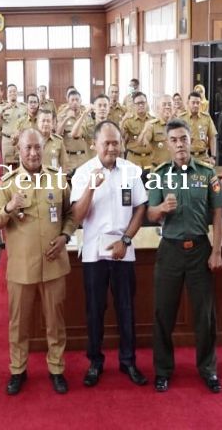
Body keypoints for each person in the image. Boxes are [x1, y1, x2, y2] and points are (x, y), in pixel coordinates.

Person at [0, 129, 75, 395]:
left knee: (55, 322)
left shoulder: (58, 180)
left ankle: (57, 369)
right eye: (28, 148)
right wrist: (8, 208)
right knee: (18, 323)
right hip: (21, 268)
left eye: (37, 148)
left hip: (54, 264)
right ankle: (18, 369)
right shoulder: (8, 183)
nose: (34, 153)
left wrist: (65, 235)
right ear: (19, 151)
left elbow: (71, 214)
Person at [146, 118, 222, 394]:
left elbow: (217, 215)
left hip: (200, 250)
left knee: (205, 315)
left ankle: (208, 369)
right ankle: (163, 370)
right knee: (163, 313)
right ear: (167, 144)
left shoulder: (207, 173)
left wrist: (216, 251)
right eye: (174, 140)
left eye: (184, 139)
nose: (180, 144)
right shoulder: (158, 174)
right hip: (169, 250)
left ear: (192, 141)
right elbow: (149, 213)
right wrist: (161, 210)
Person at [70, 121, 148, 388]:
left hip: (123, 250)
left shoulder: (131, 170)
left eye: (116, 143)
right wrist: (91, 186)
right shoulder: (82, 172)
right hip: (93, 253)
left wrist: (126, 239)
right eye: (107, 143)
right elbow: (77, 217)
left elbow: (141, 208)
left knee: (126, 309)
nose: (112, 148)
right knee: (95, 310)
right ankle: (95, 362)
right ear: (95, 145)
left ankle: (128, 361)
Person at [0, 84, 27, 169]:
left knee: (21, 164)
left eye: (14, 91)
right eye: (10, 91)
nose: (12, 93)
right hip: (7, 140)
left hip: (20, 140)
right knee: (6, 165)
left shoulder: (24, 107)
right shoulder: (2, 106)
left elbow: (27, 122)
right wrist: (4, 108)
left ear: (17, 93)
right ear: (7, 94)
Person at [178, 91, 218, 164]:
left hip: (203, 157)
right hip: (187, 157)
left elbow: (212, 137)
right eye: (193, 102)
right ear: (188, 103)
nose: (196, 105)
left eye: (198, 103)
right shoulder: (181, 118)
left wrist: (213, 156)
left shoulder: (206, 118)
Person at [57, 90, 90, 174]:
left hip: (83, 158)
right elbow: (57, 134)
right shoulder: (62, 116)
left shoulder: (86, 117)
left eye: (77, 100)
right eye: (72, 100)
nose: (75, 102)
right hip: (68, 158)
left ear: (80, 101)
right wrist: (66, 118)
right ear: (68, 102)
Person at [121, 91, 155, 170]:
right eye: (138, 103)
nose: (141, 105)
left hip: (149, 159)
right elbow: (121, 136)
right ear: (133, 105)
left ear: (146, 104)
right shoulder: (128, 121)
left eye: (143, 102)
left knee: (149, 182)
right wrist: (123, 120)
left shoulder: (153, 120)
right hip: (133, 159)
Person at [143, 94, 174, 168]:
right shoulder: (152, 125)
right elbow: (145, 143)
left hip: (175, 169)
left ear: (173, 108)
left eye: (169, 104)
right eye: (164, 105)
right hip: (158, 168)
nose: (167, 107)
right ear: (158, 108)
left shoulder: (178, 125)